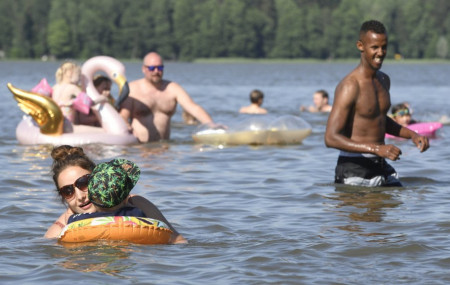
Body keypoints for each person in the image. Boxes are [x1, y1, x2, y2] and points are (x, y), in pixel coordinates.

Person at [324, 20, 429, 187]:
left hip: (380, 164)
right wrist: (376, 149)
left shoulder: (384, 80)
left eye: (384, 47)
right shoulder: (349, 86)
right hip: (354, 168)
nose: (380, 53)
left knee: (409, 204)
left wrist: (413, 135)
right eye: (374, 47)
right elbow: (330, 138)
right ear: (360, 46)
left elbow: (379, 119)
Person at [44, 145, 186, 244]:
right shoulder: (62, 227)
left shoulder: (136, 203)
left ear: (98, 178)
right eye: (67, 191)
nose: (80, 195)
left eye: (83, 183)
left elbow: (178, 241)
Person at [119, 51, 215, 142]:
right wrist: (127, 127)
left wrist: (211, 124)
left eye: (160, 68)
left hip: (164, 150)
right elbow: (123, 116)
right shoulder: (132, 89)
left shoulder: (172, 88)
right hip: (140, 149)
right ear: (144, 69)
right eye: (152, 68)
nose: (156, 71)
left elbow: (193, 107)